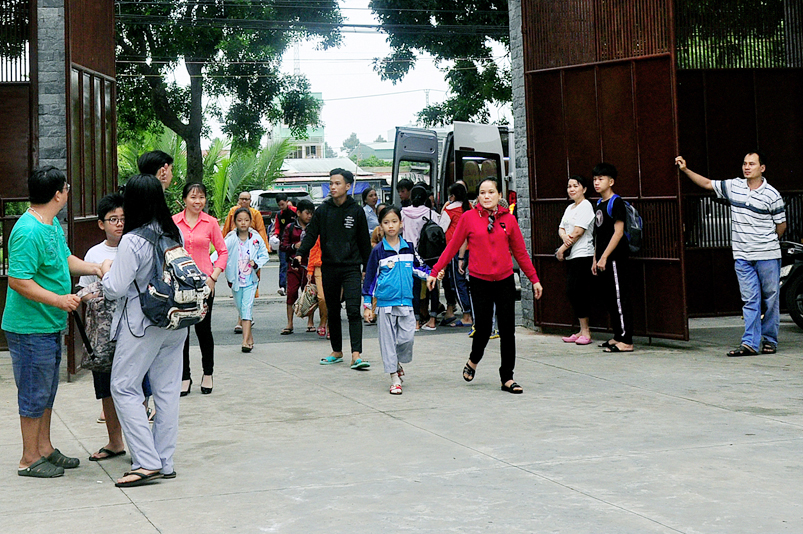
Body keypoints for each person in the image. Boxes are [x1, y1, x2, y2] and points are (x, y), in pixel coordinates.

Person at [3, 166, 104, 478]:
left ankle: (44, 448)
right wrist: (59, 300)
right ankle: (28, 458)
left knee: (46, 392)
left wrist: (95, 268)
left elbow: (64, 259)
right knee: (33, 393)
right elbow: (18, 281)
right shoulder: (28, 231)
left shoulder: (51, 225)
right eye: (67, 187)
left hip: (49, 324)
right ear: (58, 194)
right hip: (30, 327)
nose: (68, 191)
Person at [101, 174, 188, 487]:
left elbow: (115, 288)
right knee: (167, 391)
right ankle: (164, 461)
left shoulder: (133, 239)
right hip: (176, 320)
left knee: (123, 386)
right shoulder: (173, 232)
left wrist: (106, 272)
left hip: (144, 322)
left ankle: (146, 462)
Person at [427, 177, 543, 394]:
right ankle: (473, 360)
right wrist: (435, 272)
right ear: (478, 196)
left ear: (499, 195)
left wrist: (534, 279)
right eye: (482, 193)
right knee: (483, 329)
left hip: (505, 280)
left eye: (491, 192)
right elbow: (452, 247)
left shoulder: (508, 220)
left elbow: (520, 252)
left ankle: (507, 377)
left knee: (507, 330)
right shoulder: (469, 218)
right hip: (480, 281)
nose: (487, 196)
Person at [676, 152, 786, 356]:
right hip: (742, 256)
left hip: (767, 255)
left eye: (752, 164)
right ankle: (750, 343)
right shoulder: (734, 186)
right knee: (750, 299)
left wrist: (767, 242)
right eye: (744, 163)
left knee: (771, 299)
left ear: (762, 168)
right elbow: (707, 184)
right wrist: (685, 170)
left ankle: (770, 339)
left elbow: (781, 225)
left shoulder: (772, 194)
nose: (747, 167)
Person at [296, 168, 373, 369]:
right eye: (331, 183)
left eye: (337, 183)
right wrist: (300, 253)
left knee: (354, 310)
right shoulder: (323, 210)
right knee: (333, 310)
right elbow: (311, 234)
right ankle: (337, 351)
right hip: (329, 267)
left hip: (351, 268)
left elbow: (364, 242)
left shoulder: (356, 211)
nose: (333, 187)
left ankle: (356, 355)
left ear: (348, 186)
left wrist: (368, 268)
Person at [77, 193, 128, 461]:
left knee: (135, 386)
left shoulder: (133, 246)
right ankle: (114, 441)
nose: (119, 224)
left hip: (132, 329)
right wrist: (99, 295)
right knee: (106, 387)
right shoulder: (94, 254)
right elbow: (84, 291)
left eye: (122, 218)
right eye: (113, 219)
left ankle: (139, 443)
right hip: (103, 333)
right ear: (101, 224)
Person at [363, 206, 431, 394]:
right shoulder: (378, 251)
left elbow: (419, 268)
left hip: (406, 302)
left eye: (394, 221)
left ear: (401, 223)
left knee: (407, 338)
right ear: (381, 226)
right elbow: (370, 279)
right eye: (386, 222)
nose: (391, 226)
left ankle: (397, 362)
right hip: (385, 304)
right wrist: (367, 305)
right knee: (387, 342)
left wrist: (432, 275)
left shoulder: (409, 247)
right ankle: (394, 377)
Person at [173, 182, 227, 395]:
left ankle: (208, 373)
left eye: (201, 197)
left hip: (204, 284)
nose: (198, 201)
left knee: (203, 330)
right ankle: (184, 376)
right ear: (184, 199)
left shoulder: (210, 222)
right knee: (182, 333)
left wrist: (213, 277)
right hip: (180, 285)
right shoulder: (174, 222)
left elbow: (223, 252)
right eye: (193, 197)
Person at [591, 163, 634, 353]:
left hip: (615, 258)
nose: (596, 182)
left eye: (600, 179)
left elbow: (618, 232)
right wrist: (596, 258)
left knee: (619, 297)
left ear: (611, 181)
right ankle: (617, 336)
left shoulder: (616, 202)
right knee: (609, 298)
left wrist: (605, 257)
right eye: (595, 179)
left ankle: (626, 340)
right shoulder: (599, 204)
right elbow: (598, 234)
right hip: (602, 259)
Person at [556, 175, 595, 345]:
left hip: (583, 254)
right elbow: (561, 228)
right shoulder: (570, 208)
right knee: (573, 292)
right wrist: (565, 238)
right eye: (569, 186)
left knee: (578, 291)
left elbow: (578, 232)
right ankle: (580, 330)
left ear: (584, 189)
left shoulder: (586, 206)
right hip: (572, 255)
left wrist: (561, 249)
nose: (571, 189)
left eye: (575, 186)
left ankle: (586, 331)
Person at [224, 207, 269, 352]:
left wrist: (256, 264)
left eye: (246, 220)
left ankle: (244, 342)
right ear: (235, 222)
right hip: (235, 280)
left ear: (250, 221)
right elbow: (220, 254)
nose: (243, 223)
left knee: (246, 307)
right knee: (240, 307)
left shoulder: (255, 238)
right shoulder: (231, 239)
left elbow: (264, 254)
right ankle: (249, 337)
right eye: (240, 220)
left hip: (251, 280)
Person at [221, 190, 269, 324]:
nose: (244, 201)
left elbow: (261, 231)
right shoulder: (233, 212)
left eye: (247, 199)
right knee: (238, 291)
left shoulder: (256, 214)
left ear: (250, 201)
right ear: (238, 200)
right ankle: (244, 317)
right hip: (235, 252)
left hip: (251, 255)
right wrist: (222, 246)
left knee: (250, 289)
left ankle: (243, 320)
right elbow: (227, 229)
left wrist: (262, 251)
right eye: (242, 199)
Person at [401, 185, 440, 330]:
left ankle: (416, 322)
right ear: (425, 199)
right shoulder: (431, 213)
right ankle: (432, 320)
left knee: (414, 288)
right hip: (429, 255)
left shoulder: (403, 213)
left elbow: (400, 230)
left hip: (410, 253)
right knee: (433, 286)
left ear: (411, 198)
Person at [438, 182, 473, 328]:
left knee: (458, 283)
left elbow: (441, 228)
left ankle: (466, 315)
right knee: (470, 282)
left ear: (452, 196)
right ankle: (472, 312)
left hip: (456, 251)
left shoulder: (450, 210)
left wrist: (444, 208)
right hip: (472, 249)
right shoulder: (470, 207)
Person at [280, 199, 316, 335]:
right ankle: (289, 323)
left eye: (311, 213)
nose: (309, 216)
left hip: (309, 265)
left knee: (310, 293)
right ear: (299, 213)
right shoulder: (290, 228)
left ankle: (310, 322)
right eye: (307, 213)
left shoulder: (314, 227)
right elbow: (283, 246)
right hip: (294, 265)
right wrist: (294, 246)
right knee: (291, 293)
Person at [273, 193, 296, 296]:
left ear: (287, 202)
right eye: (279, 205)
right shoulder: (279, 215)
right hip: (283, 243)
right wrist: (275, 235)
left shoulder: (295, 211)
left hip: (295, 242)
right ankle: (283, 286)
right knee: (283, 264)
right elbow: (277, 228)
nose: (281, 207)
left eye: (282, 204)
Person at [306, 236, 328, 338]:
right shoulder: (320, 230)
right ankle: (323, 320)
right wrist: (310, 270)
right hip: (319, 265)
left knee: (334, 298)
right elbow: (313, 249)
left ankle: (331, 326)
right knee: (322, 297)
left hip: (337, 265)